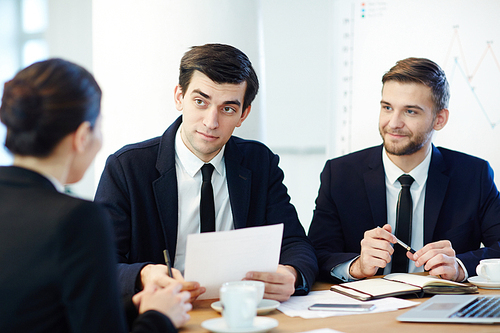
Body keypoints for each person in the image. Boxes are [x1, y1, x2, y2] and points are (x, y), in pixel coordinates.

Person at [94, 43, 318, 302]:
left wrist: (291, 273)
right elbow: (100, 264)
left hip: (241, 310)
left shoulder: (260, 162)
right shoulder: (127, 168)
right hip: (163, 313)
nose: (211, 122)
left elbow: (295, 244)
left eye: (228, 109)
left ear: (243, 114)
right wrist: (143, 274)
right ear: (179, 97)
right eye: (200, 102)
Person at [0, 58, 191, 333]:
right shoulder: (77, 219)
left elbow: (42, 312)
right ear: (82, 136)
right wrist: (160, 317)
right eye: (99, 127)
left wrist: (135, 307)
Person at [308, 57, 500, 284]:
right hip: (366, 310)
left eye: (410, 111)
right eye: (387, 108)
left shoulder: (473, 175)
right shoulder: (339, 173)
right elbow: (315, 253)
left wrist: (459, 266)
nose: (393, 123)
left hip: (438, 305)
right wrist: (356, 266)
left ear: (439, 119)